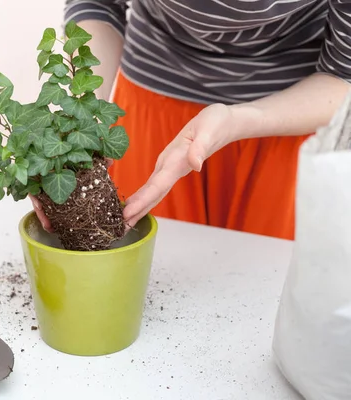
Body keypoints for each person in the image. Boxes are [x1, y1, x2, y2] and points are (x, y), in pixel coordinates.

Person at [31, 0, 351, 240]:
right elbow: (99, 4)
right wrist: (79, 115)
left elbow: (344, 73)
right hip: (152, 105)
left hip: (289, 117)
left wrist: (239, 119)